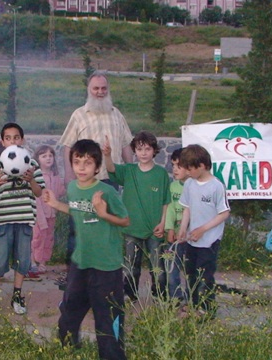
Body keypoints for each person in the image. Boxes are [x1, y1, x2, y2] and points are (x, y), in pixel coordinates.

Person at [43, 139, 129, 360]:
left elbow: (125, 220)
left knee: (107, 319)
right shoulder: (72, 188)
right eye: (77, 161)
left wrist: (104, 214)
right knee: (70, 311)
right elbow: (76, 210)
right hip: (80, 263)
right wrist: (55, 204)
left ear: (97, 167)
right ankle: (68, 350)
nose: (81, 167)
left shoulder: (106, 192)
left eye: (88, 162)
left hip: (106, 266)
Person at [59, 72, 134, 269]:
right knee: (79, 228)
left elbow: (126, 144)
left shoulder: (117, 114)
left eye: (103, 88)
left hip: (110, 182)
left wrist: (131, 172)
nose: (100, 92)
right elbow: (68, 146)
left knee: (107, 227)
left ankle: (104, 269)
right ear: (89, 90)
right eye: (96, 88)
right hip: (84, 183)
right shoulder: (79, 115)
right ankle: (74, 273)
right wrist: (68, 175)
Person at [0, 123, 45, 315]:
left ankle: (17, 295)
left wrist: (31, 180)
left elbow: (39, 192)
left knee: (22, 259)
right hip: (2, 221)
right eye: (8, 138)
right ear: (3, 142)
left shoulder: (32, 164)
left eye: (16, 137)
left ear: (23, 140)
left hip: (25, 219)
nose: (13, 141)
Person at [103, 131, 170, 302]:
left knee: (158, 266)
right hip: (132, 228)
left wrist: (163, 223)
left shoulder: (161, 174)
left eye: (147, 149)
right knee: (131, 265)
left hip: (154, 230)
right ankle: (130, 293)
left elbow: (166, 201)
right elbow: (111, 169)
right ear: (134, 151)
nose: (144, 153)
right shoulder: (129, 170)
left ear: (154, 150)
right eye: (140, 149)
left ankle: (159, 295)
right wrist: (108, 155)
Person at [177, 144, 230, 316]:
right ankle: (192, 304)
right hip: (192, 239)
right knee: (190, 273)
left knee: (205, 276)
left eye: (190, 168)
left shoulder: (216, 186)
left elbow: (224, 213)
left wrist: (203, 229)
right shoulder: (189, 184)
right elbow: (187, 208)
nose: (187, 172)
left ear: (202, 166)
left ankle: (207, 309)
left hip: (209, 240)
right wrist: (183, 228)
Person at [31, 145, 65, 274]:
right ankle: (33, 261)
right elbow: (35, 197)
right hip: (39, 214)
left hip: (52, 214)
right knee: (37, 238)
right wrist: (39, 216)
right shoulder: (36, 177)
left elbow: (60, 192)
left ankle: (43, 262)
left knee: (48, 238)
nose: (48, 158)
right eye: (44, 156)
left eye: (50, 155)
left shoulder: (55, 176)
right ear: (37, 159)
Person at [164, 148, 190, 302]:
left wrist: (187, 228)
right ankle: (175, 298)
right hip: (175, 234)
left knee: (190, 269)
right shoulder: (173, 187)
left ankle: (190, 298)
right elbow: (171, 208)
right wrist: (169, 229)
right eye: (173, 166)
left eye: (178, 166)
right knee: (171, 267)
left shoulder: (194, 186)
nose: (174, 170)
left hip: (190, 235)